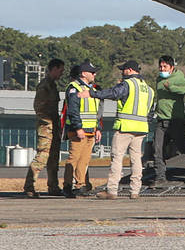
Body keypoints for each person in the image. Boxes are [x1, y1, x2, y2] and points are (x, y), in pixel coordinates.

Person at [81, 60, 155, 200]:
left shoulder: (128, 84)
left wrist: (92, 93)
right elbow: (150, 112)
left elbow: (114, 93)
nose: (122, 72)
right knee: (136, 160)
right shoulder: (149, 89)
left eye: (124, 69)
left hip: (125, 127)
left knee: (117, 158)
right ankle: (135, 190)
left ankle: (112, 190)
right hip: (141, 129)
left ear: (130, 70)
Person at [151, 55, 185, 187]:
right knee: (157, 149)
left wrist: (172, 88)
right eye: (160, 66)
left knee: (183, 147)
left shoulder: (178, 77)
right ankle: (160, 177)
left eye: (165, 67)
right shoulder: (159, 79)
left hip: (176, 119)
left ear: (172, 67)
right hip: (161, 119)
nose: (162, 69)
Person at [23, 59, 65, 198]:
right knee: (43, 156)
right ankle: (29, 186)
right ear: (53, 69)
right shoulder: (45, 86)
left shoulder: (52, 85)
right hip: (46, 127)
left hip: (54, 126)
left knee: (53, 158)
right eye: (60, 70)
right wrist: (48, 123)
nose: (61, 73)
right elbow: (39, 107)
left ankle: (53, 186)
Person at [62, 61, 102, 198]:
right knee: (74, 159)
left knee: (84, 160)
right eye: (92, 72)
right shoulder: (74, 88)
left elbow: (97, 112)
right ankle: (67, 186)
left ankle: (80, 185)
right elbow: (72, 110)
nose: (94, 74)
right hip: (79, 131)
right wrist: (78, 128)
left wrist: (98, 128)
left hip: (91, 130)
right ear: (84, 74)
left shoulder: (93, 89)